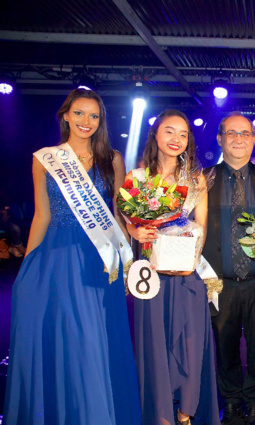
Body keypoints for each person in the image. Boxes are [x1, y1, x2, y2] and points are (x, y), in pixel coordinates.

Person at [3, 89, 141, 424]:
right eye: (79, 113)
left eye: (94, 116)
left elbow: (119, 215)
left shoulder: (113, 159)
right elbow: (41, 216)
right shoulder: (45, 158)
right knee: (63, 336)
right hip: (55, 258)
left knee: (94, 338)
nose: (86, 122)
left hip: (99, 258)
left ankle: (96, 412)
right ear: (66, 115)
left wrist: (127, 262)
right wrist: (27, 267)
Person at [126, 110, 220, 425]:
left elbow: (201, 228)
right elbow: (128, 223)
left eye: (182, 134)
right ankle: (160, 414)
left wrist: (189, 261)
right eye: (169, 131)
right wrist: (136, 232)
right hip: (150, 278)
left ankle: (185, 413)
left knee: (191, 346)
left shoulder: (195, 180)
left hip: (186, 275)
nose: (176, 139)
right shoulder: (136, 178)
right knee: (155, 346)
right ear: (155, 135)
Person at [201, 112, 255, 425]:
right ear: (220, 139)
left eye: (245, 133)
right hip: (220, 281)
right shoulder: (202, 179)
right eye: (231, 133)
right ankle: (232, 401)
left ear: (253, 139)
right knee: (225, 346)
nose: (238, 139)